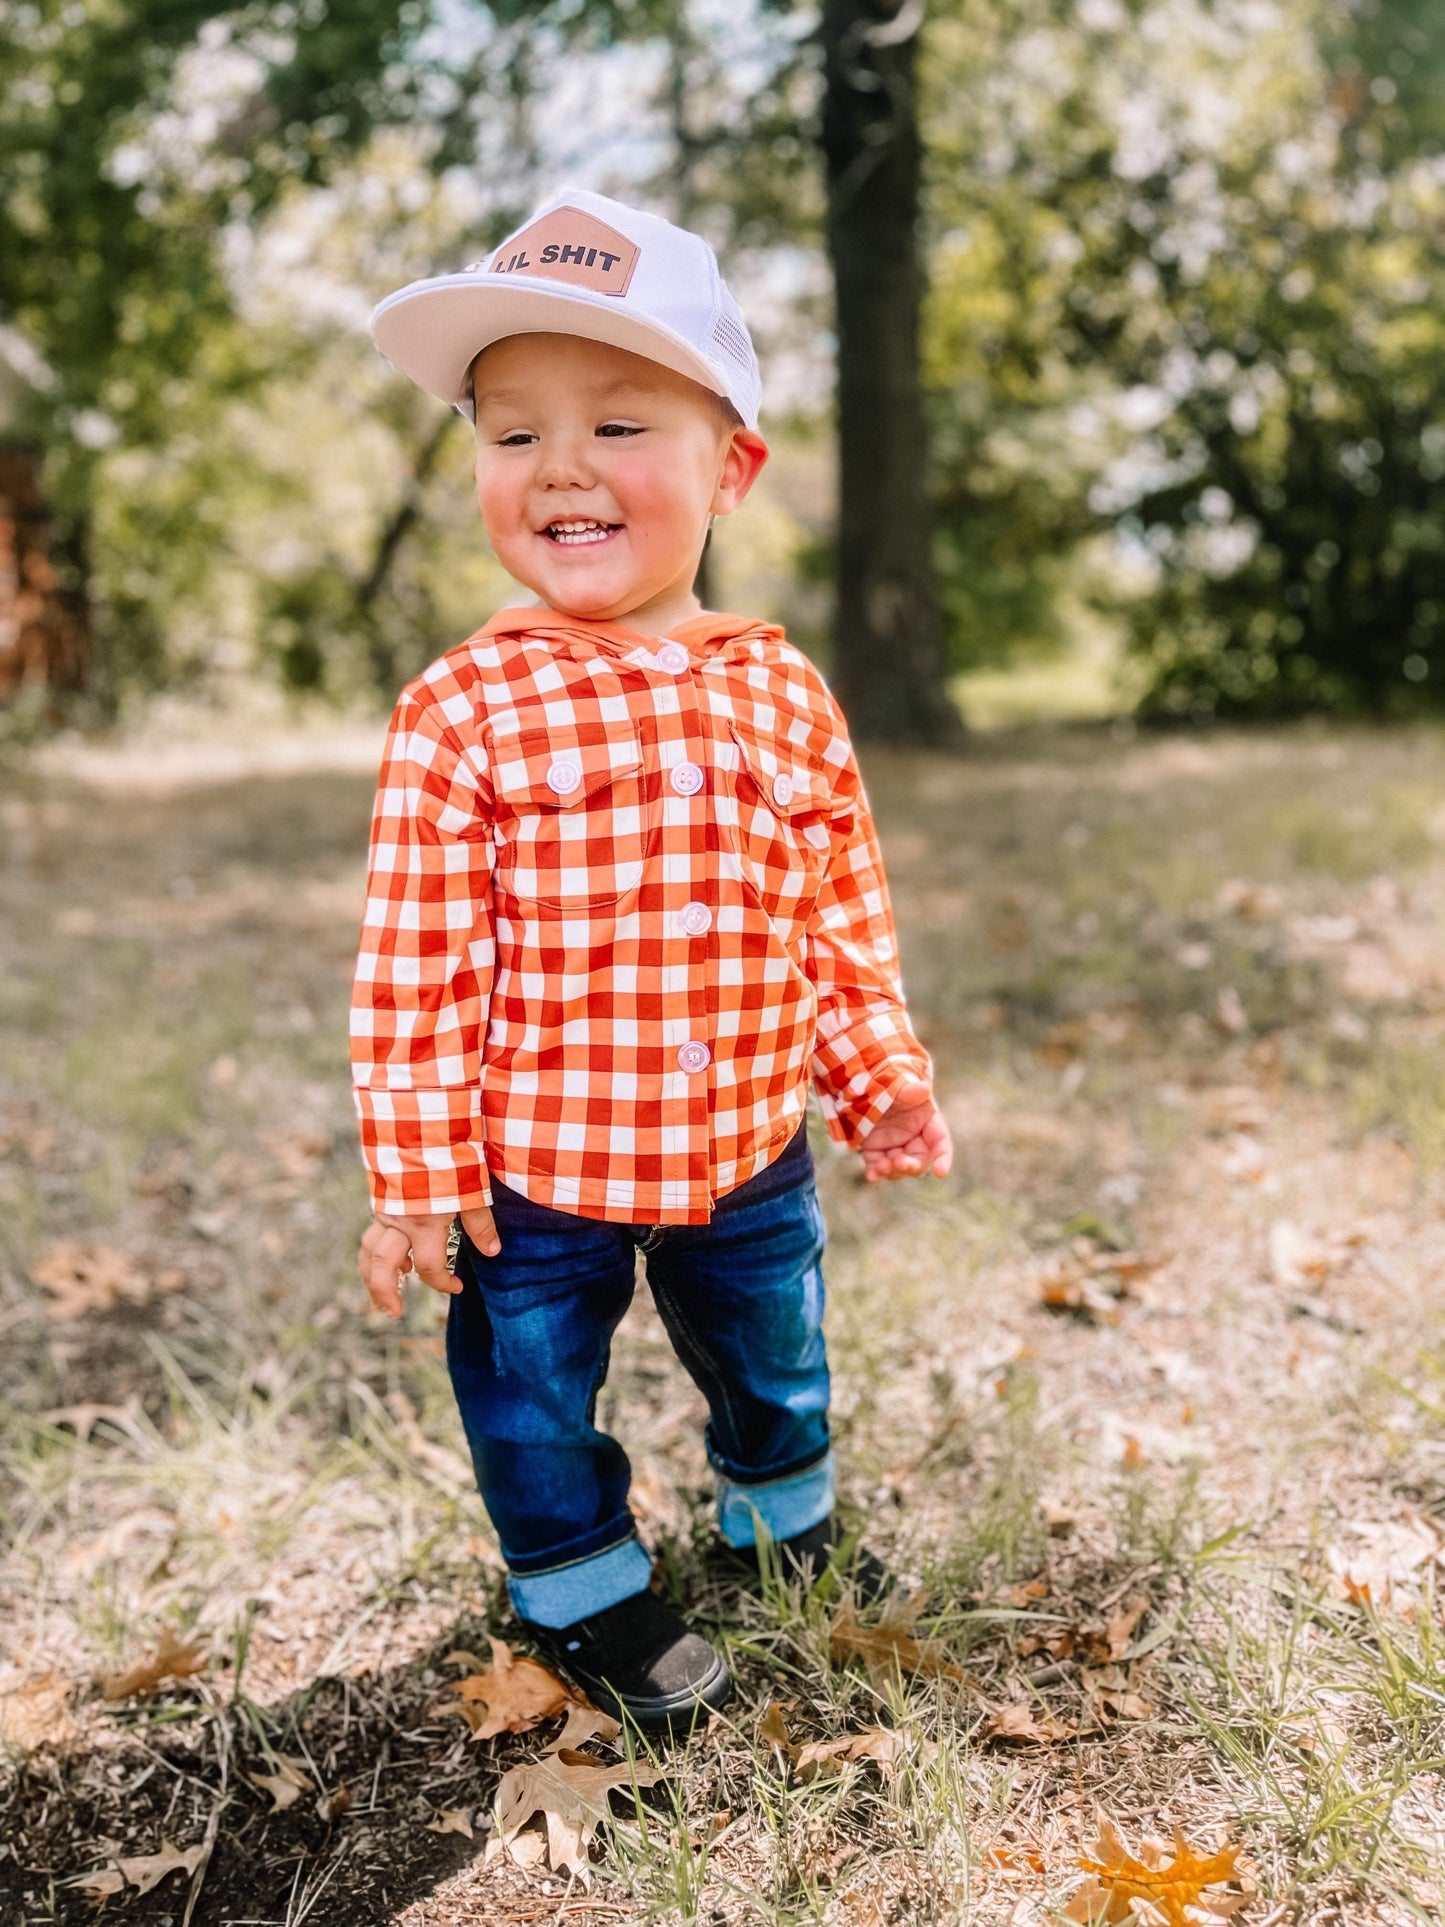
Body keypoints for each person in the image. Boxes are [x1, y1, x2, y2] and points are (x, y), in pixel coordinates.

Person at [351, 189, 953, 1730]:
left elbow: (834, 901)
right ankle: (578, 1585)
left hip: (751, 1139)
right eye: (511, 435)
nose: (557, 466)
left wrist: (873, 1070)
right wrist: (419, 1169)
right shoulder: (463, 708)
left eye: (619, 424)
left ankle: (779, 1517)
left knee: (776, 1346)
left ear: (730, 467)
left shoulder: (777, 688)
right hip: (534, 1166)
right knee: (532, 1391)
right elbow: (417, 961)